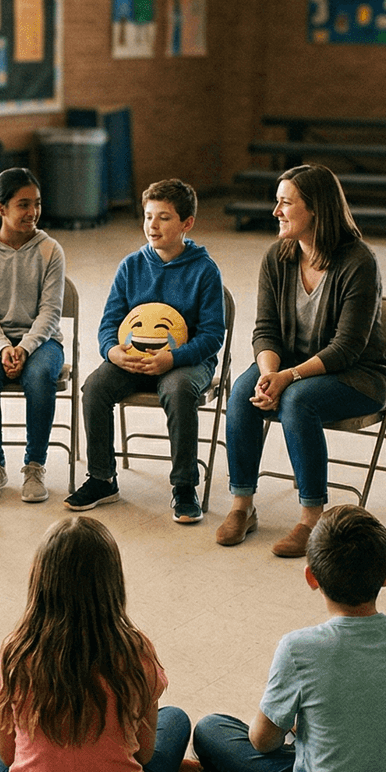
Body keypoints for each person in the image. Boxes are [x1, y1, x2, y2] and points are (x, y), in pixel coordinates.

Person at [193, 506, 386, 772]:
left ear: (311, 577)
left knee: (210, 729)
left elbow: (262, 741)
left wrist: (295, 725)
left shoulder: (299, 647)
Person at [0, 517, 190, 772]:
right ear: (113, 583)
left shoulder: (15, 652)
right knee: (176, 720)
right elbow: (144, 755)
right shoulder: (136, 652)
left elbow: (7, 756)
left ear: (39, 581)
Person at [220, 165, 386, 557]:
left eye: (285, 203)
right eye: (277, 202)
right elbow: (264, 330)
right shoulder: (278, 256)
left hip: (358, 375)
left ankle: (312, 518)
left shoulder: (358, 261)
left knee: (298, 400)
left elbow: (347, 348)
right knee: (244, 390)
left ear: (315, 210)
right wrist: (268, 374)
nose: (275, 211)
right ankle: (242, 506)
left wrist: (288, 377)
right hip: (291, 366)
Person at [67, 178, 226, 523]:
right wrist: (112, 353)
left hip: (187, 359)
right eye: (148, 216)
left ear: (187, 223)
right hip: (133, 359)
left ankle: (184, 486)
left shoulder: (205, 270)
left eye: (164, 217)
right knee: (94, 388)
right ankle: (102, 478)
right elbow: (109, 323)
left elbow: (213, 335)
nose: (152, 225)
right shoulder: (131, 266)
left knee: (179, 389)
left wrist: (174, 358)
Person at [0, 168, 66, 503]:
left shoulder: (51, 250)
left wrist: (22, 348)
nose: (33, 212)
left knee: (39, 378)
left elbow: (50, 313)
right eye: (23, 204)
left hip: (42, 340)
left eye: (36, 203)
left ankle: (34, 465)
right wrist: (3, 346)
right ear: (0, 209)